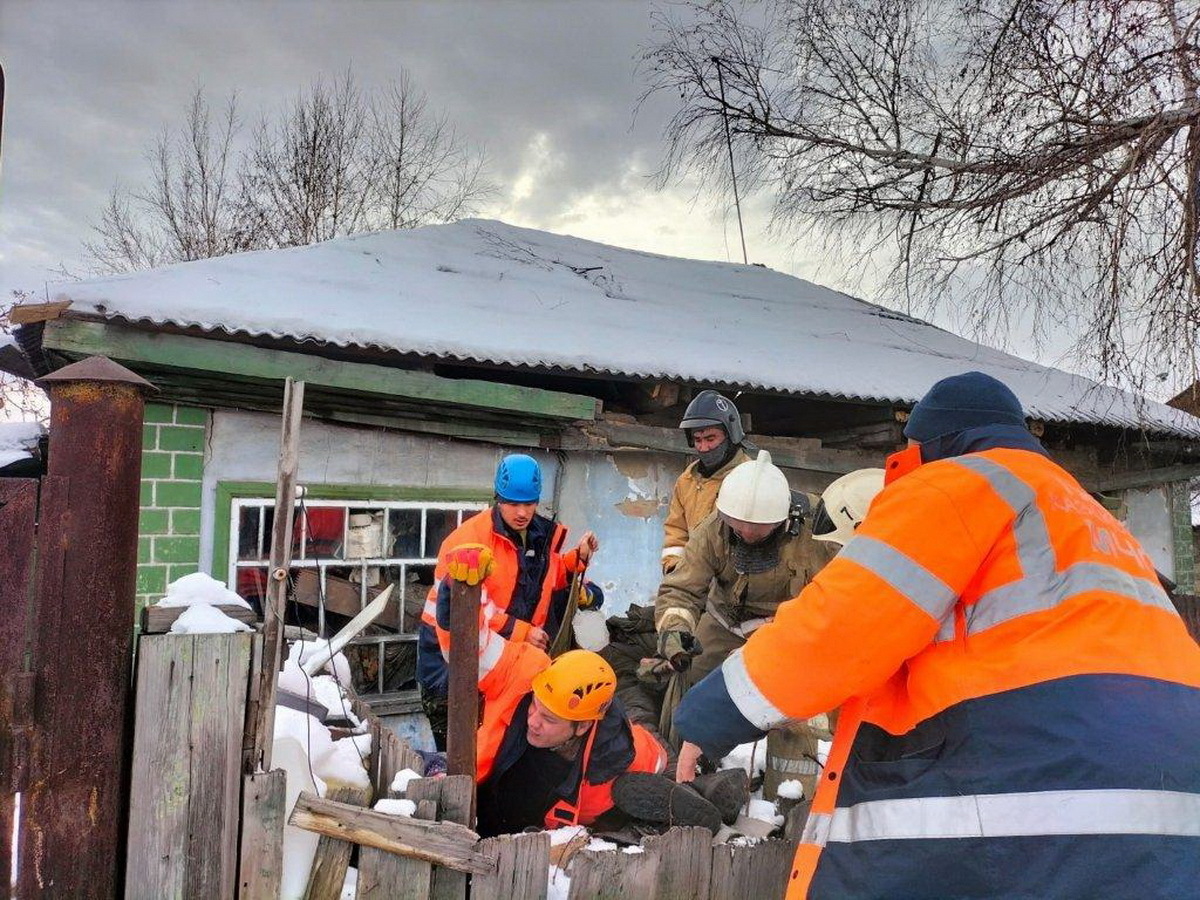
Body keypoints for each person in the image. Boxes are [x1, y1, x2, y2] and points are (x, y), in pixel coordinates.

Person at [672, 371, 1200, 899]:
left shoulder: (957, 484)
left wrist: (709, 716)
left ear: (930, 443)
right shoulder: (1090, 514)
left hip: (1046, 788)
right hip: (1174, 806)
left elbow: (839, 627)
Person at [430, 543, 681, 838]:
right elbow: (470, 652)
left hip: (528, 847)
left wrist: (685, 786)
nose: (533, 720)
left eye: (549, 719)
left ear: (582, 726)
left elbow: (663, 762)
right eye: (536, 706)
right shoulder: (524, 673)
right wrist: (454, 596)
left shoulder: (616, 758)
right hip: (484, 806)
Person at [653, 451, 836, 747]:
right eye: (738, 526)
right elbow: (681, 590)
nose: (747, 534)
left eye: (759, 527)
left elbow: (843, 592)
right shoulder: (713, 529)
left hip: (790, 633)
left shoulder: (820, 529)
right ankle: (680, 759)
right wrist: (675, 631)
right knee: (692, 684)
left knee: (796, 711)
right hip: (725, 624)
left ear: (783, 518)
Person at [416, 453, 600, 748]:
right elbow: (466, 607)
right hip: (451, 661)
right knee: (460, 749)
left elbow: (542, 578)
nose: (522, 512)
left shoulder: (539, 534)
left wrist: (574, 561)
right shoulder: (467, 540)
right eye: (513, 503)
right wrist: (524, 633)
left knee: (500, 744)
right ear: (497, 499)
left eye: (528, 503)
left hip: (508, 662)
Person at [661, 390, 751, 574]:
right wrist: (673, 568)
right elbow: (676, 532)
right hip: (692, 581)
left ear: (730, 435)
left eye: (710, 439)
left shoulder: (750, 478)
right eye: (697, 440)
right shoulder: (686, 481)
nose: (703, 447)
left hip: (734, 585)